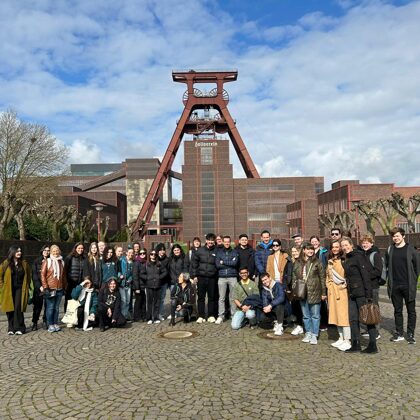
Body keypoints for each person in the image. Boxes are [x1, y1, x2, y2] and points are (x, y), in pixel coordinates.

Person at [340, 237, 378, 353]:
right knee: (353, 319)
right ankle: (355, 343)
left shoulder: (358, 256)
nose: (345, 247)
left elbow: (365, 276)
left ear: (351, 245)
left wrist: (368, 295)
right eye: (343, 246)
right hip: (352, 292)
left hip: (361, 293)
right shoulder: (347, 258)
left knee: (367, 318)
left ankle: (372, 345)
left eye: (346, 245)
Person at [385, 227, 420, 344]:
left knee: (411, 311)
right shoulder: (390, 250)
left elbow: (416, 268)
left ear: (403, 236)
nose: (395, 238)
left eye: (398, 236)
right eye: (394, 236)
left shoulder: (411, 250)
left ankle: (410, 334)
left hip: (408, 285)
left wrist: (413, 281)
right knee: (397, 310)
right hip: (395, 285)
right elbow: (387, 265)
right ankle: (399, 333)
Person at [292, 243, 326, 345]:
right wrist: (294, 287)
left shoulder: (317, 262)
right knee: (306, 315)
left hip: (315, 291)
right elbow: (294, 275)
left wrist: (323, 293)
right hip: (302, 291)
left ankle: (314, 334)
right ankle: (308, 332)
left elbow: (322, 278)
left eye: (311, 249)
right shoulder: (298, 262)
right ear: (304, 250)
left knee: (315, 315)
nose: (310, 251)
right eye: (308, 249)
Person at [0, 246, 32, 335]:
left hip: (20, 289)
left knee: (18, 307)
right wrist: (2, 286)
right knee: (9, 308)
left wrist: (28, 287)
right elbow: (0, 276)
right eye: (17, 251)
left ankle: (20, 328)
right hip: (8, 290)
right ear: (12, 252)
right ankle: (11, 328)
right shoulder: (6, 263)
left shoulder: (24, 264)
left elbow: (29, 276)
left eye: (20, 251)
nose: (19, 252)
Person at [326, 241, 351, 351]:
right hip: (332, 292)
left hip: (342, 292)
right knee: (335, 315)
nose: (335, 249)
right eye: (333, 247)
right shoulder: (330, 261)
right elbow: (327, 276)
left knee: (343, 317)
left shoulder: (344, 260)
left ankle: (347, 340)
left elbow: (348, 275)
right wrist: (329, 286)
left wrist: (344, 285)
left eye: (337, 247)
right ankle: (340, 338)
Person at [190, 233, 218, 323]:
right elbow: (194, 264)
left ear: (214, 241)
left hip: (212, 278)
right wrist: (194, 276)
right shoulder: (200, 251)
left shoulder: (217, 251)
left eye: (212, 240)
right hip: (201, 277)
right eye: (209, 240)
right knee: (201, 298)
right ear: (206, 240)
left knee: (211, 297)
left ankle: (211, 315)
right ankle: (201, 316)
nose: (210, 242)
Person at [359, 234, 383, 339]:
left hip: (373, 286)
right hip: (363, 286)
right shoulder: (360, 255)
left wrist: (365, 276)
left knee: (374, 307)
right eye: (363, 242)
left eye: (367, 242)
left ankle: (376, 330)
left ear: (371, 244)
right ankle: (366, 328)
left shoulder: (375, 255)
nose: (365, 244)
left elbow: (378, 271)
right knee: (365, 307)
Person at [41, 244, 67, 333]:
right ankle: (50, 324)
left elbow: (63, 276)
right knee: (50, 307)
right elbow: (43, 275)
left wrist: (64, 286)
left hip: (59, 288)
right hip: (50, 288)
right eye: (53, 251)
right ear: (51, 252)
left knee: (56, 308)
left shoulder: (62, 262)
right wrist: (45, 287)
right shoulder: (47, 261)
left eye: (57, 251)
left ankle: (56, 323)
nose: (55, 253)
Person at [215, 236, 239, 325]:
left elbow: (235, 263)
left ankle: (233, 315)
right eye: (225, 242)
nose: (227, 243)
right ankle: (221, 316)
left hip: (232, 277)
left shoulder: (234, 252)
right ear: (223, 242)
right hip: (221, 277)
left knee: (233, 298)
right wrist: (229, 263)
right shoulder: (219, 252)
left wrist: (223, 262)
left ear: (230, 242)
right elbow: (217, 265)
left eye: (228, 242)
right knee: (221, 298)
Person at [141, 249, 167, 325]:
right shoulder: (146, 264)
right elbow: (142, 274)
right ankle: (149, 318)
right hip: (149, 286)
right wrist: (147, 277)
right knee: (149, 303)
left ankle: (155, 317)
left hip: (158, 285)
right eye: (152, 254)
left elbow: (165, 272)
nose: (153, 255)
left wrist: (159, 277)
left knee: (157, 302)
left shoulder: (159, 263)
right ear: (149, 255)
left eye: (155, 254)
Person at [31, 245, 49, 331]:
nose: (47, 252)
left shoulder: (51, 260)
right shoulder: (36, 261)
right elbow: (34, 276)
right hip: (39, 288)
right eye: (45, 250)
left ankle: (45, 321)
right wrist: (39, 287)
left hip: (49, 287)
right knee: (37, 307)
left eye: (48, 250)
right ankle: (35, 322)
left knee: (47, 306)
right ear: (42, 251)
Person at [64, 242, 85, 311]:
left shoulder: (84, 258)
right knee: (69, 300)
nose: (80, 250)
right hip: (71, 283)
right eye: (79, 248)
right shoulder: (69, 257)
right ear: (75, 248)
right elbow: (65, 270)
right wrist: (66, 282)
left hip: (80, 284)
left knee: (78, 301)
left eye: (82, 248)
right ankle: (67, 316)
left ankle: (75, 317)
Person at [117, 247, 134, 319]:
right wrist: (119, 275)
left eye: (132, 253)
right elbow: (118, 269)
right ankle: (122, 316)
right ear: (126, 253)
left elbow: (133, 274)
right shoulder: (122, 260)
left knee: (127, 301)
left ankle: (125, 315)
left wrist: (130, 279)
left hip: (128, 284)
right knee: (123, 301)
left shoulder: (132, 262)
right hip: (122, 284)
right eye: (129, 252)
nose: (131, 254)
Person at [155, 243, 171, 321]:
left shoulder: (167, 259)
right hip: (155, 282)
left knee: (161, 299)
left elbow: (168, 271)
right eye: (160, 250)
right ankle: (154, 313)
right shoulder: (155, 258)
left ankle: (160, 313)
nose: (162, 252)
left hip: (164, 282)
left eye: (163, 250)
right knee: (155, 299)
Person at [133, 248, 147, 321]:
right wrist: (137, 288)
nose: (142, 255)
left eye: (143, 253)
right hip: (138, 286)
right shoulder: (136, 262)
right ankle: (137, 317)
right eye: (140, 253)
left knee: (144, 301)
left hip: (145, 285)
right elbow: (135, 276)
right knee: (138, 302)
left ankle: (143, 315)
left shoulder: (146, 262)